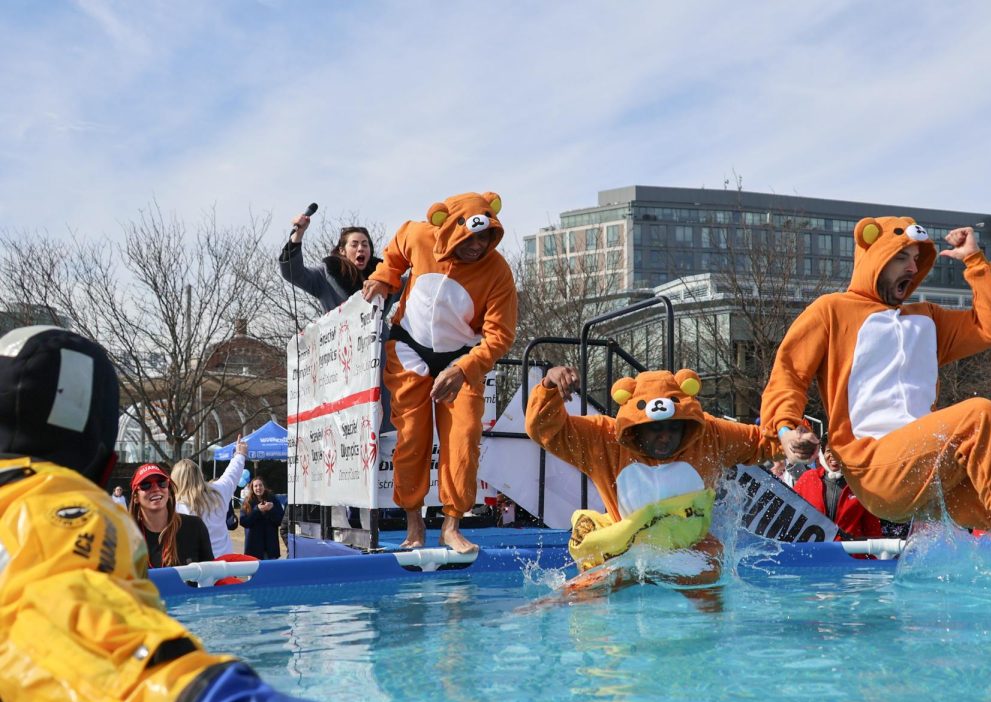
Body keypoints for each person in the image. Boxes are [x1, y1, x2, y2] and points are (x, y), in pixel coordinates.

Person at [0, 325, 383, 702]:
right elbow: (55, 615)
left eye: (162, 484)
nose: (156, 492)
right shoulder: (55, 507)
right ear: (107, 463)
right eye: (146, 486)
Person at [760, 219, 991, 587]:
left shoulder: (927, 318)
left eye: (916, 258)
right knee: (979, 414)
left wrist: (975, 261)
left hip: (932, 468)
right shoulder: (831, 310)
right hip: (874, 466)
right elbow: (788, 372)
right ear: (874, 256)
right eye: (901, 257)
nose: (912, 267)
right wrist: (786, 429)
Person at [526, 365, 773, 599]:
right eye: (655, 428)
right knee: (572, 597)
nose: (665, 436)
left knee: (709, 592)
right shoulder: (604, 439)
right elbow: (544, 429)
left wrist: (791, 436)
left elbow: (760, 442)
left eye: (673, 427)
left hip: (690, 549)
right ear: (636, 427)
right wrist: (549, 385)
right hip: (623, 549)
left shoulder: (709, 435)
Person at [362, 191, 518, 555]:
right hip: (408, 347)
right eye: (470, 237)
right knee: (412, 437)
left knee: (463, 438)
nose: (477, 246)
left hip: (462, 359)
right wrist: (385, 277)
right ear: (448, 228)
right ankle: (414, 525)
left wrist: (464, 369)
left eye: (485, 238)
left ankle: (451, 525)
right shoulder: (419, 235)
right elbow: (395, 252)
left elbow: (500, 336)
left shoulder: (498, 272)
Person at [280, 216, 382, 312]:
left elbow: (398, 290)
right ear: (342, 250)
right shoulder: (325, 274)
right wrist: (298, 235)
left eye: (365, 245)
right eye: (354, 245)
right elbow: (293, 273)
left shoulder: (384, 276)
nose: (360, 249)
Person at [171, 437, 248, 557]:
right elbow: (232, 474)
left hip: (194, 567)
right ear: (199, 474)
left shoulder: (175, 506)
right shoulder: (219, 491)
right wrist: (240, 454)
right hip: (224, 563)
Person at [129, 463, 215, 568]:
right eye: (145, 485)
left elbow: (211, 575)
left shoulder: (194, 526)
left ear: (169, 491)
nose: (156, 488)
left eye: (162, 483)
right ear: (135, 497)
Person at [793, 444, 882, 540]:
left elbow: (872, 528)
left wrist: (877, 551)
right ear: (822, 453)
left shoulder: (860, 484)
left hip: (848, 551)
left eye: (838, 451)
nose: (833, 455)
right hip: (813, 550)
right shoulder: (808, 478)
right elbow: (792, 513)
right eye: (828, 451)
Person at [240, 476, 286, 559]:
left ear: (264, 486)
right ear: (252, 488)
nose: (258, 488)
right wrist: (257, 510)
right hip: (253, 547)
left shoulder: (273, 499)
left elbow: (280, 521)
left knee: (271, 571)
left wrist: (272, 509)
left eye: (260, 485)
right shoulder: (247, 502)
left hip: (270, 547)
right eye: (256, 486)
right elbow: (244, 522)